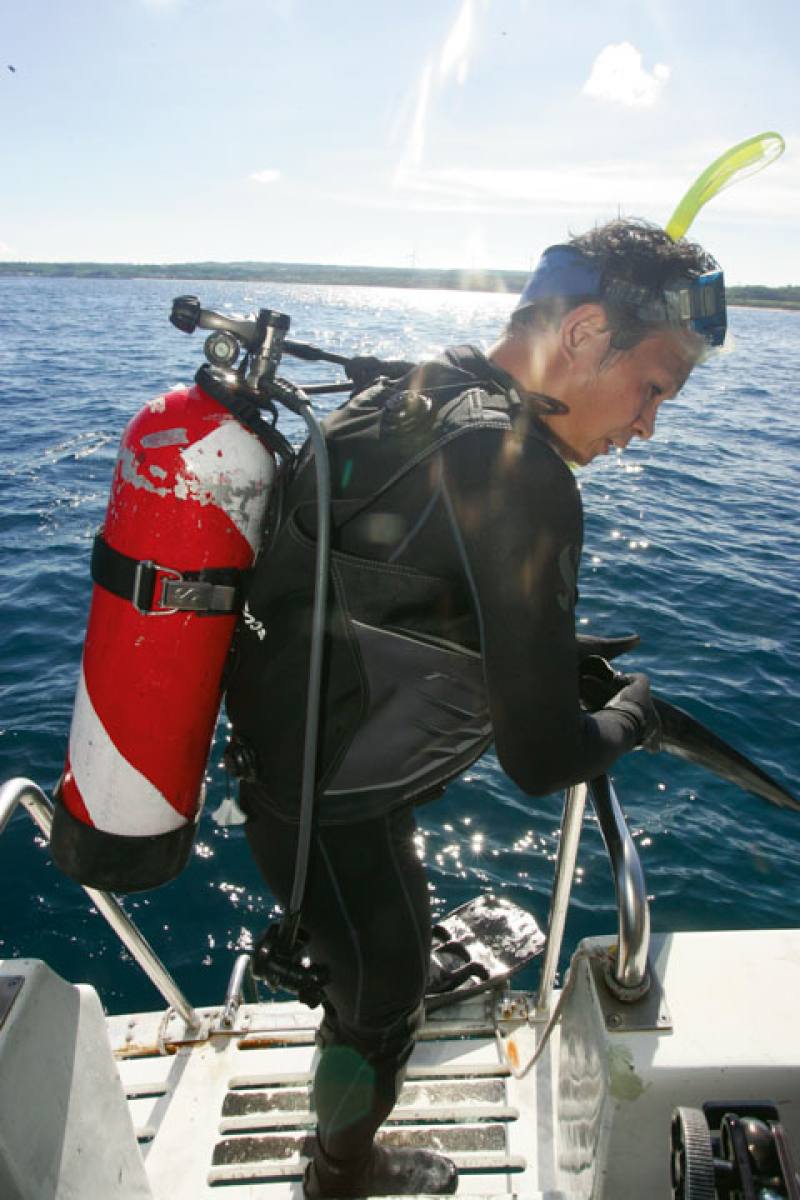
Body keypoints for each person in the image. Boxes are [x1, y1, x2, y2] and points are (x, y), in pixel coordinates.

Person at [223, 218, 725, 1198]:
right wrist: (636, 712)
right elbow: (541, 759)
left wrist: (535, 646)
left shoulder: (417, 389)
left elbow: (386, 567)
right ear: (583, 335)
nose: (644, 428)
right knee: (380, 998)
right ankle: (338, 1174)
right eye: (653, 389)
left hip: (287, 749)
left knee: (373, 976)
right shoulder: (524, 476)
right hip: (332, 802)